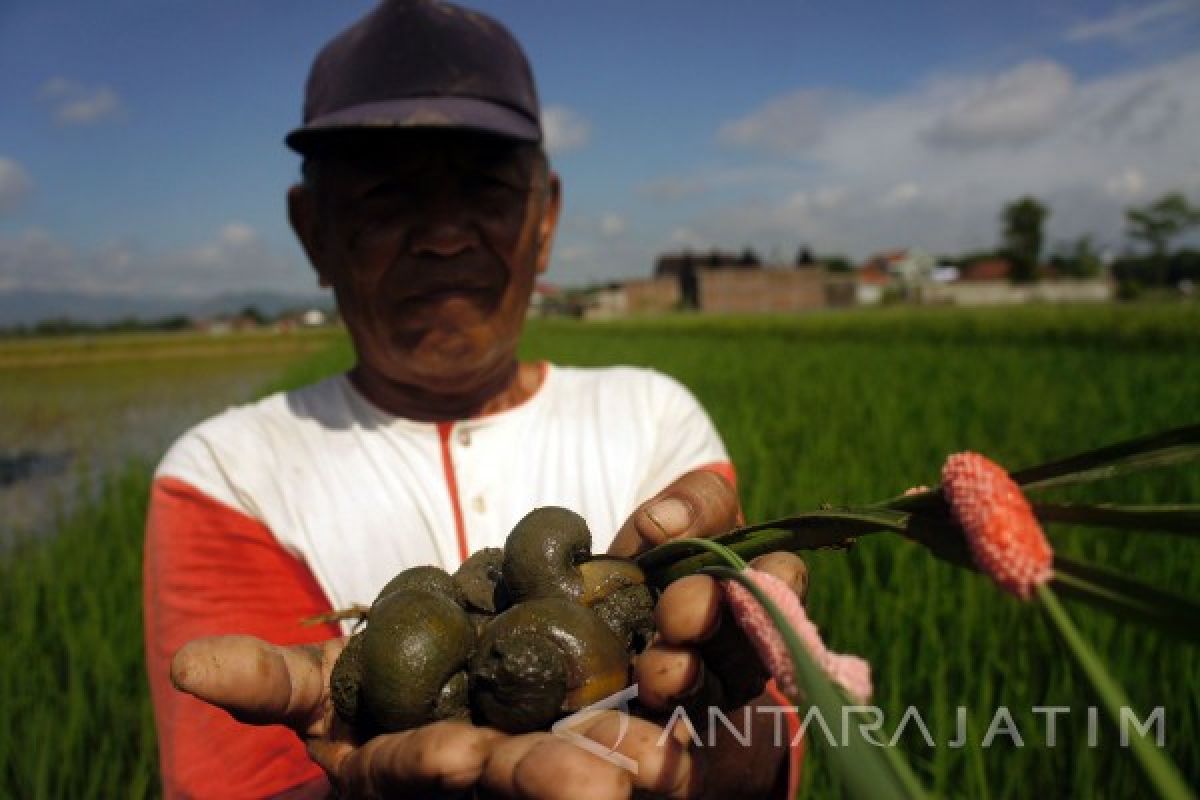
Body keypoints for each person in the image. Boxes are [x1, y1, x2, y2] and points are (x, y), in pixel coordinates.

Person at [144, 1, 809, 797]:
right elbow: (236, 778)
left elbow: (762, 748)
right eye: (387, 196)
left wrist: (722, 725)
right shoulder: (228, 471)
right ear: (312, 228)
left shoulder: (655, 418)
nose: (444, 236)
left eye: (484, 190)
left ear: (545, 218)